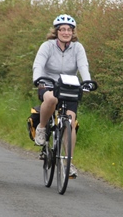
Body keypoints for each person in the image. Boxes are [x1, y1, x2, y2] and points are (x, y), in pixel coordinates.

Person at [32, 14, 92, 177]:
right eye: (63, 29)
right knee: (51, 99)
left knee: (70, 122)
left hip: (69, 85)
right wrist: (38, 79)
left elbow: (83, 66)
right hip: (48, 83)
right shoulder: (47, 46)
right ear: (56, 31)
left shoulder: (77, 48)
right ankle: (42, 128)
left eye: (69, 30)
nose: (66, 32)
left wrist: (87, 81)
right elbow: (38, 64)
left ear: (73, 32)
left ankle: (69, 163)